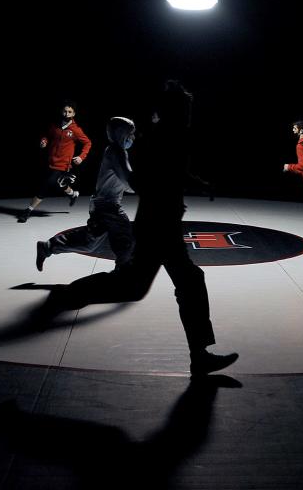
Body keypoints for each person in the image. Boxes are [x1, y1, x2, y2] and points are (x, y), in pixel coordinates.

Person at [35, 81, 238, 376]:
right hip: (158, 223)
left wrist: (193, 183)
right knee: (145, 284)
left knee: (174, 282)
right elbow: (145, 180)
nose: (190, 110)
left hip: (160, 220)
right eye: (186, 106)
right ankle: (68, 295)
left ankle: (199, 355)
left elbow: (172, 172)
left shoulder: (169, 135)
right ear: (176, 109)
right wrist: (166, 191)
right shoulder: (163, 137)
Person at [36, 116, 136, 271]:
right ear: (120, 134)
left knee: (90, 242)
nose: (132, 138)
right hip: (108, 206)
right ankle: (122, 272)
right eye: (130, 134)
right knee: (124, 238)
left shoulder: (114, 150)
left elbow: (126, 181)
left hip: (102, 204)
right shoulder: (117, 152)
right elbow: (128, 180)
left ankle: (48, 247)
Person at [19, 101, 91, 222]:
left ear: (74, 113)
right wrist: (44, 141)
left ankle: (28, 210)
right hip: (50, 161)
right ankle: (73, 194)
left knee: (46, 185)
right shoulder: (55, 126)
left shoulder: (76, 130)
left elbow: (88, 143)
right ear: (61, 111)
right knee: (59, 184)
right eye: (65, 111)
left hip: (63, 164)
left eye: (69, 112)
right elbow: (47, 135)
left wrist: (81, 157)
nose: (66, 114)